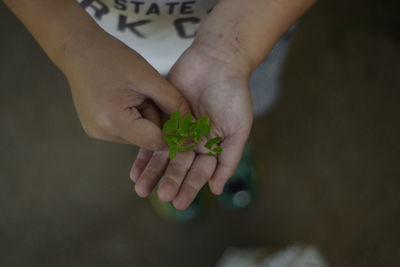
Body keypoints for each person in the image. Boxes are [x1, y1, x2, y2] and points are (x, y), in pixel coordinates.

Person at [4, 0, 316, 212]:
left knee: (238, 107)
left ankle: (229, 150)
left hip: (251, 33)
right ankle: (172, 160)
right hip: (108, 48)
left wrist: (235, 49)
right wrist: (74, 47)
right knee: (144, 119)